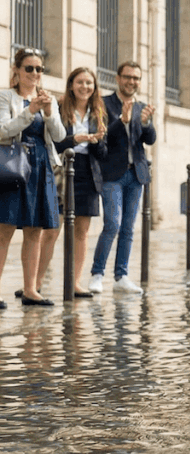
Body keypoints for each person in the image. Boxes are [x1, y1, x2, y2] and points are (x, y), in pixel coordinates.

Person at [0, 48, 67, 307]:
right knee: (4, 229)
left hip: (40, 168)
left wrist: (49, 111)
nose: (35, 73)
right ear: (17, 71)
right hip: (14, 165)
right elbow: (3, 130)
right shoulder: (6, 97)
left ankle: (30, 290)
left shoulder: (47, 99)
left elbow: (60, 136)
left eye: (39, 69)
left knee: (35, 229)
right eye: (29, 68)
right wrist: (30, 112)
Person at [88, 62, 155, 294]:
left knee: (128, 227)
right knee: (112, 224)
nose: (132, 82)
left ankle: (121, 276)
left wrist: (145, 123)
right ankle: (97, 274)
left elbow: (150, 139)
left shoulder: (142, 107)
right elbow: (100, 138)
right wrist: (122, 121)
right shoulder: (104, 104)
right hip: (112, 175)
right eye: (127, 77)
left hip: (136, 174)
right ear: (117, 78)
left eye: (136, 78)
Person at [42, 68, 108, 298]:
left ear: (94, 87)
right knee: (52, 229)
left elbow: (102, 154)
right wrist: (74, 139)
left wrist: (97, 141)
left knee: (82, 231)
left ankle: (75, 282)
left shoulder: (98, 112)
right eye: (80, 82)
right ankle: (36, 284)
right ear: (71, 85)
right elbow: (52, 143)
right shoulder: (60, 108)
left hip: (88, 173)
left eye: (89, 83)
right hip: (62, 170)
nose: (85, 87)